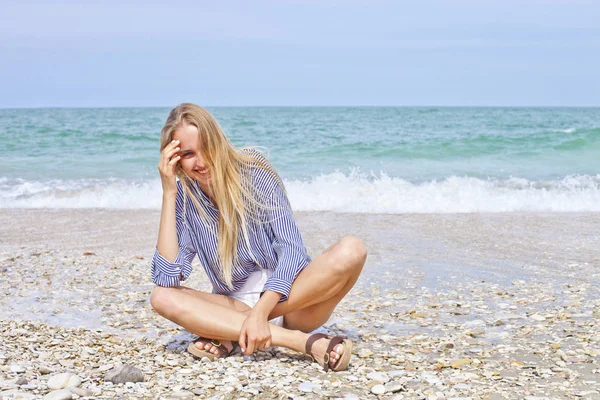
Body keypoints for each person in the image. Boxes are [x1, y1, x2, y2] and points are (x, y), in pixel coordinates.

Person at [149, 103, 367, 371]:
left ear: (219, 141)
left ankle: (226, 331)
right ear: (175, 160)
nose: (202, 161)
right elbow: (167, 277)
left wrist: (261, 312)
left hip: (291, 303)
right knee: (161, 297)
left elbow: (292, 250)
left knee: (352, 250)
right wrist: (169, 192)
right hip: (233, 302)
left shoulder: (254, 171)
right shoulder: (183, 197)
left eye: (206, 147)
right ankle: (299, 342)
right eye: (188, 154)